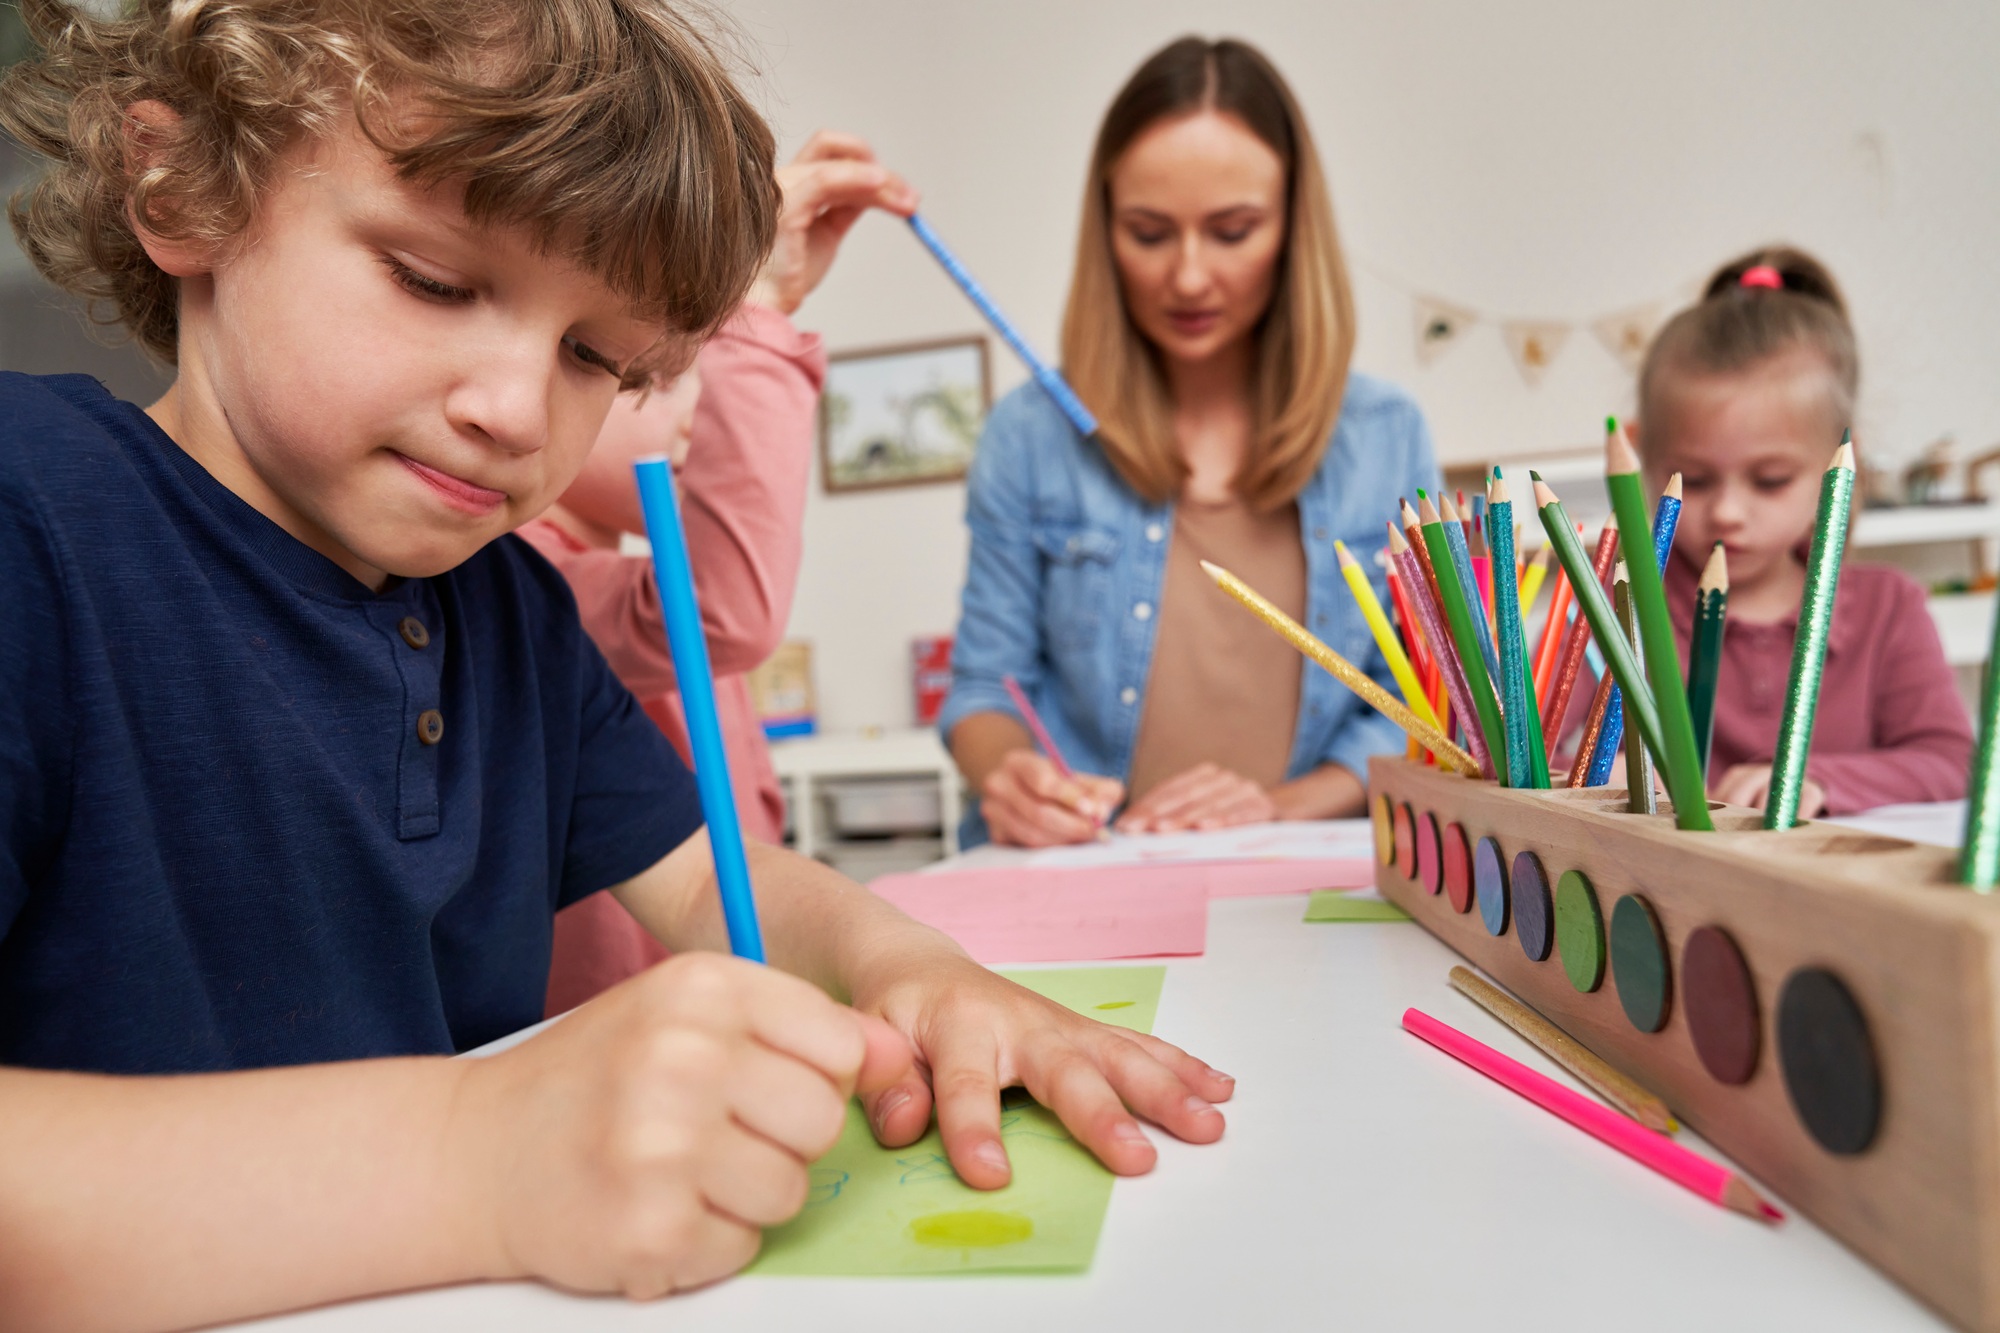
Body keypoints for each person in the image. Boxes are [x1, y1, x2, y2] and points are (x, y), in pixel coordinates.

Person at [0, 2, 1232, 1328]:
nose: (518, 412)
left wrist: (909, 966)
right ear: (182, 186)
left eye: (598, 356)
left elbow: (714, 873)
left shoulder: (512, 607)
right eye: (435, 279)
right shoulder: (31, 516)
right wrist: (474, 1153)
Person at [939, 36, 1439, 848]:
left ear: (1292, 228)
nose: (1190, 278)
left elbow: (1419, 704)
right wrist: (1009, 775)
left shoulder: (1387, 435)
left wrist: (1279, 805)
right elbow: (983, 690)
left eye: (1233, 231)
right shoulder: (1029, 435)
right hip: (1088, 880)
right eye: (1148, 232)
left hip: (1301, 878)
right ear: (1105, 228)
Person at [526, 131, 914, 1015]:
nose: (701, 402)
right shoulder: (522, 580)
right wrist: (762, 308)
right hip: (615, 1046)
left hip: (721, 1014)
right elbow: (724, 610)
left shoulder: (634, 566)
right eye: (655, 376)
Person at [1632, 245, 1972, 817]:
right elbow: (1543, 752)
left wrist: (1815, 779)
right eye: (1692, 480)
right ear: (1644, 458)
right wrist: (1601, 773)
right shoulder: (1631, 612)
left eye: (1769, 480)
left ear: (1839, 465)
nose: (1728, 513)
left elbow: (1951, 759)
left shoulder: (1889, 609)